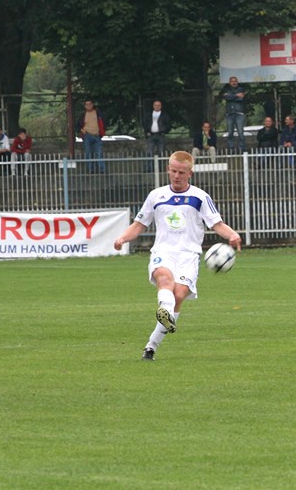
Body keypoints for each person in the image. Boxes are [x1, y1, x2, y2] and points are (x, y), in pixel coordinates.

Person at [113, 151, 241, 361]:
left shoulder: (200, 197)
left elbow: (216, 223)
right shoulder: (156, 196)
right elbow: (139, 224)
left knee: (179, 295)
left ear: (190, 173)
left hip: (189, 255)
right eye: (173, 171)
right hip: (163, 251)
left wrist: (233, 235)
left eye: (181, 172)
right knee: (165, 280)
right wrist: (123, 238)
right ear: (168, 170)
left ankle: (151, 347)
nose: (176, 176)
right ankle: (165, 310)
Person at [75, 99, 106, 173]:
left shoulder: (98, 113)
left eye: (90, 104)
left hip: (97, 135)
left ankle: (102, 170)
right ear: (85, 106)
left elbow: (104, 122)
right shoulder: (82, 114)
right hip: (87, 135)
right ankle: (90, 170)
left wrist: (101, 132)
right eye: (87, 104)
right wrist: (82, 130)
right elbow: (77, 125)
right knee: (88, 153)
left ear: (93, 104)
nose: (88, 106)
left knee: (99, 153)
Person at [221, 76, 247, 153]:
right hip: (229, 113)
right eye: (232, 81)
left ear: (237, 81)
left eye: (235, 81)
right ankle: (231, 149)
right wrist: (236, 95)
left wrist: (230, 96)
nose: (234, 82)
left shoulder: (241, 89)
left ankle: (241, 149)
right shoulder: (226, 89)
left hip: (239, 113)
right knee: (230, 132)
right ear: (229, 82)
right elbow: (226, 98)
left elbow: (241, 98)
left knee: (240, 132)